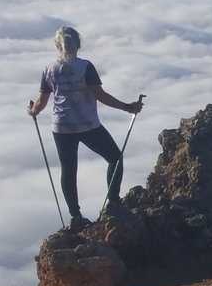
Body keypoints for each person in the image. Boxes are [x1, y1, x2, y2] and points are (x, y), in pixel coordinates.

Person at [28, 26, 142, 228]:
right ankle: (113, 203)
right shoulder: (85, 67)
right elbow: (100, 95)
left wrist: (33, 112)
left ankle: (75, 216)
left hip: (61, 127)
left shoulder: (49, 69)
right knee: (115, 158)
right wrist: (127, 107)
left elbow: (41, 103)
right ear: (78, 45)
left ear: (57, 46)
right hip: (88, 124)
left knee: (68, 170)